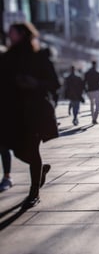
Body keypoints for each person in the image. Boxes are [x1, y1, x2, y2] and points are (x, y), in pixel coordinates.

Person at [0, 22, 60, 208]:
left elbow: (54, 83)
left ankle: (34, 192)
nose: (9, 36)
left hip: (35, 111)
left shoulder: (39, 56)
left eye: (12, 33)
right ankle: (40, 170)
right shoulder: (6, 57)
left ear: (23, 34)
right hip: (13, 112)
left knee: (32, 149)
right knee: (17, 150)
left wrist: (34, 83)